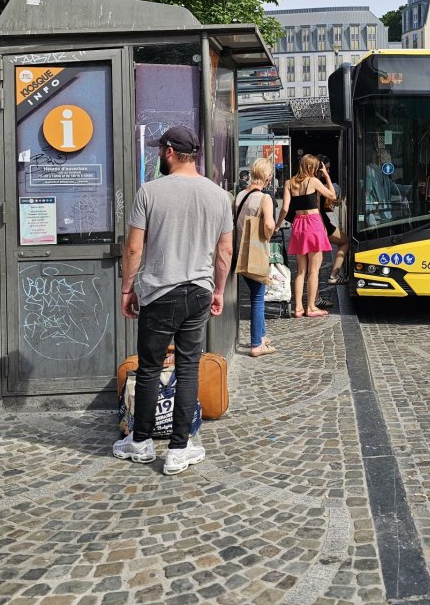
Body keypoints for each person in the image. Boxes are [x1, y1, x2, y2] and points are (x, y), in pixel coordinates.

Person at [114, 126, 233, 475]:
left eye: (159, 150)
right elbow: (224, 250)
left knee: (149, 368)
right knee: (187, 367)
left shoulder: (149, 192)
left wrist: (127, 289)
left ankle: (141, 442)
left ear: (168, 151)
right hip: (198, 290)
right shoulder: (218, 196)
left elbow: (134, 247)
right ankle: (180, 448)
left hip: (158, 291)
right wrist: (219, 290)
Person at [276, 153, 335, 318]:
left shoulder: (289, 183)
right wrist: (327, 176)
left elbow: (285, 209)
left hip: (298, 224)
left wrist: (277, 224)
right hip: (314, 224)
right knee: (314, 271)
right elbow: (332, 196)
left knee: (301, 271)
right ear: (312, 167)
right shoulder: (313, 181)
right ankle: (311, 307)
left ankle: (298, 308)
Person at [235, 156, 276, 357]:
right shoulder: (264, 198)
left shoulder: (240, 195)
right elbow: (268, 225)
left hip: (239, 251)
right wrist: (270, 234)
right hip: (256, 252)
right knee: (258, 297)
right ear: (267, 176)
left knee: (256, 293)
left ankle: (261, 336)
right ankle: (256, 344)